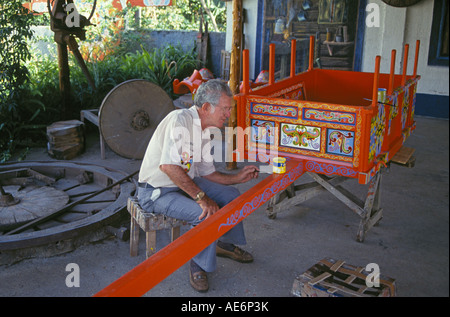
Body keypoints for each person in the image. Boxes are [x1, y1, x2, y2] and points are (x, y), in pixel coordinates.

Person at [137, 79, 259, 292]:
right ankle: (198, 265)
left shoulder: (205, 130)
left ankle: (224, 244)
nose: (228, 114)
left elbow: (207, 173)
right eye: (225, 108)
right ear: (206, 107)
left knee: (231, 195)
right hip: (157, 191)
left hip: (184, 183)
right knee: (205, 213)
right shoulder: (180, 120)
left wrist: (237, 178)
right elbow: (169, 167)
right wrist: (201, 198)